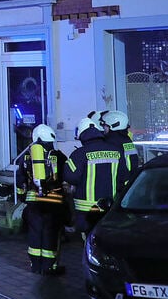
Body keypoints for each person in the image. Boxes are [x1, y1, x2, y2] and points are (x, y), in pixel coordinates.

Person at [15, 124, 68, 276]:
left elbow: (20, 179)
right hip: (54, 202)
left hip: (33, 201)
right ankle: (49, 266)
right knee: (51, 233)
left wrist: (22, 194)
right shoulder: (59, 155)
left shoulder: (27, 156)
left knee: (35, 233)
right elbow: (66, 177)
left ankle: (35, 265)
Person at [63, 117, 128, 239]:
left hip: (86, 210)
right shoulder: (117, 151)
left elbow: (70, 177)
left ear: (82, 135)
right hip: (109, 207)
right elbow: (123, 179)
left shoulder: (80, 154)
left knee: (89, 243)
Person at [100, 110, 141, 184]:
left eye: (105, 126)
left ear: (113, 125)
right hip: (131, 181)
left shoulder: (112, 142)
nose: (104, 128)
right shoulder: (127, 140)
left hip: (120, 184)